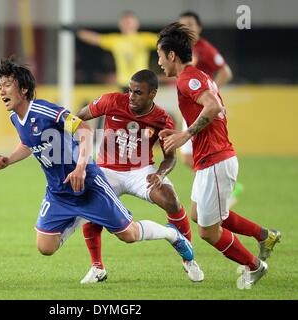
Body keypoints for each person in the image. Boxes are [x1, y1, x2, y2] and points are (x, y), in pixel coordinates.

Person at [0, 58, 194, 282]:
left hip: (88, 182)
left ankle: (171, 233)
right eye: (0, 86)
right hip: (58, 191)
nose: (1, 90)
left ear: (24, 89)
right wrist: (9, 159)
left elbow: (85, 129)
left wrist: (80, 167)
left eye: (7, 85)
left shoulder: (47, 111)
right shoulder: (16, 118)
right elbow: (29, 143)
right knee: (45, 247)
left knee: (129, 235)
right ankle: (88, 243)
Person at [156, 23, 281, 288]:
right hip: (210, 160)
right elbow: (207, 107)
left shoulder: (187, 78)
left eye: (159, 55)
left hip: (216, 159)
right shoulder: (196, 76)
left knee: (208, 231)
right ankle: (264, 236)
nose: (158, 62)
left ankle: (254, 266)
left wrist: (185, 134)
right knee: (200, 214)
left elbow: (212, 106)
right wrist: (182, 131)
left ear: (172, 56)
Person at [76, 69, 204, 284]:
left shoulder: (162, 119)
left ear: (152, 94)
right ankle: (97, 268)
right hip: (108, 170)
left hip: (141, 171)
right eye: (130, 90)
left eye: (138, 93)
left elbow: (169, 158)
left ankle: (188, 259)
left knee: (171, 201)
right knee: (91, 210)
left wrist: (161, 174)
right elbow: (78, 117)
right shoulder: (112, 101)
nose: (131, 97)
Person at [177, 12, 243, 207]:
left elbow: (226, 72)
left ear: (199, 28)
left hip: (204, 107)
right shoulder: (183, 49)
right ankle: (220, 188)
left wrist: (210, 90)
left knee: (203, 153)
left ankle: (223, 189)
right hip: (191, 107)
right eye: (182, 25)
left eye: (189, 24)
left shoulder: (204, 49)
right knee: (188, 157)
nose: (186, 28)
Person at [77, 11, 156, 92]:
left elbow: (164, 40)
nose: (127, 25)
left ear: (136, 24)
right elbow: (96, 39)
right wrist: (77, 31)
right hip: (125, 83)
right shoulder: (116, 40)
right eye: (125, 22)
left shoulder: (145, 39)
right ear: (120, 25)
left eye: (129, 22)